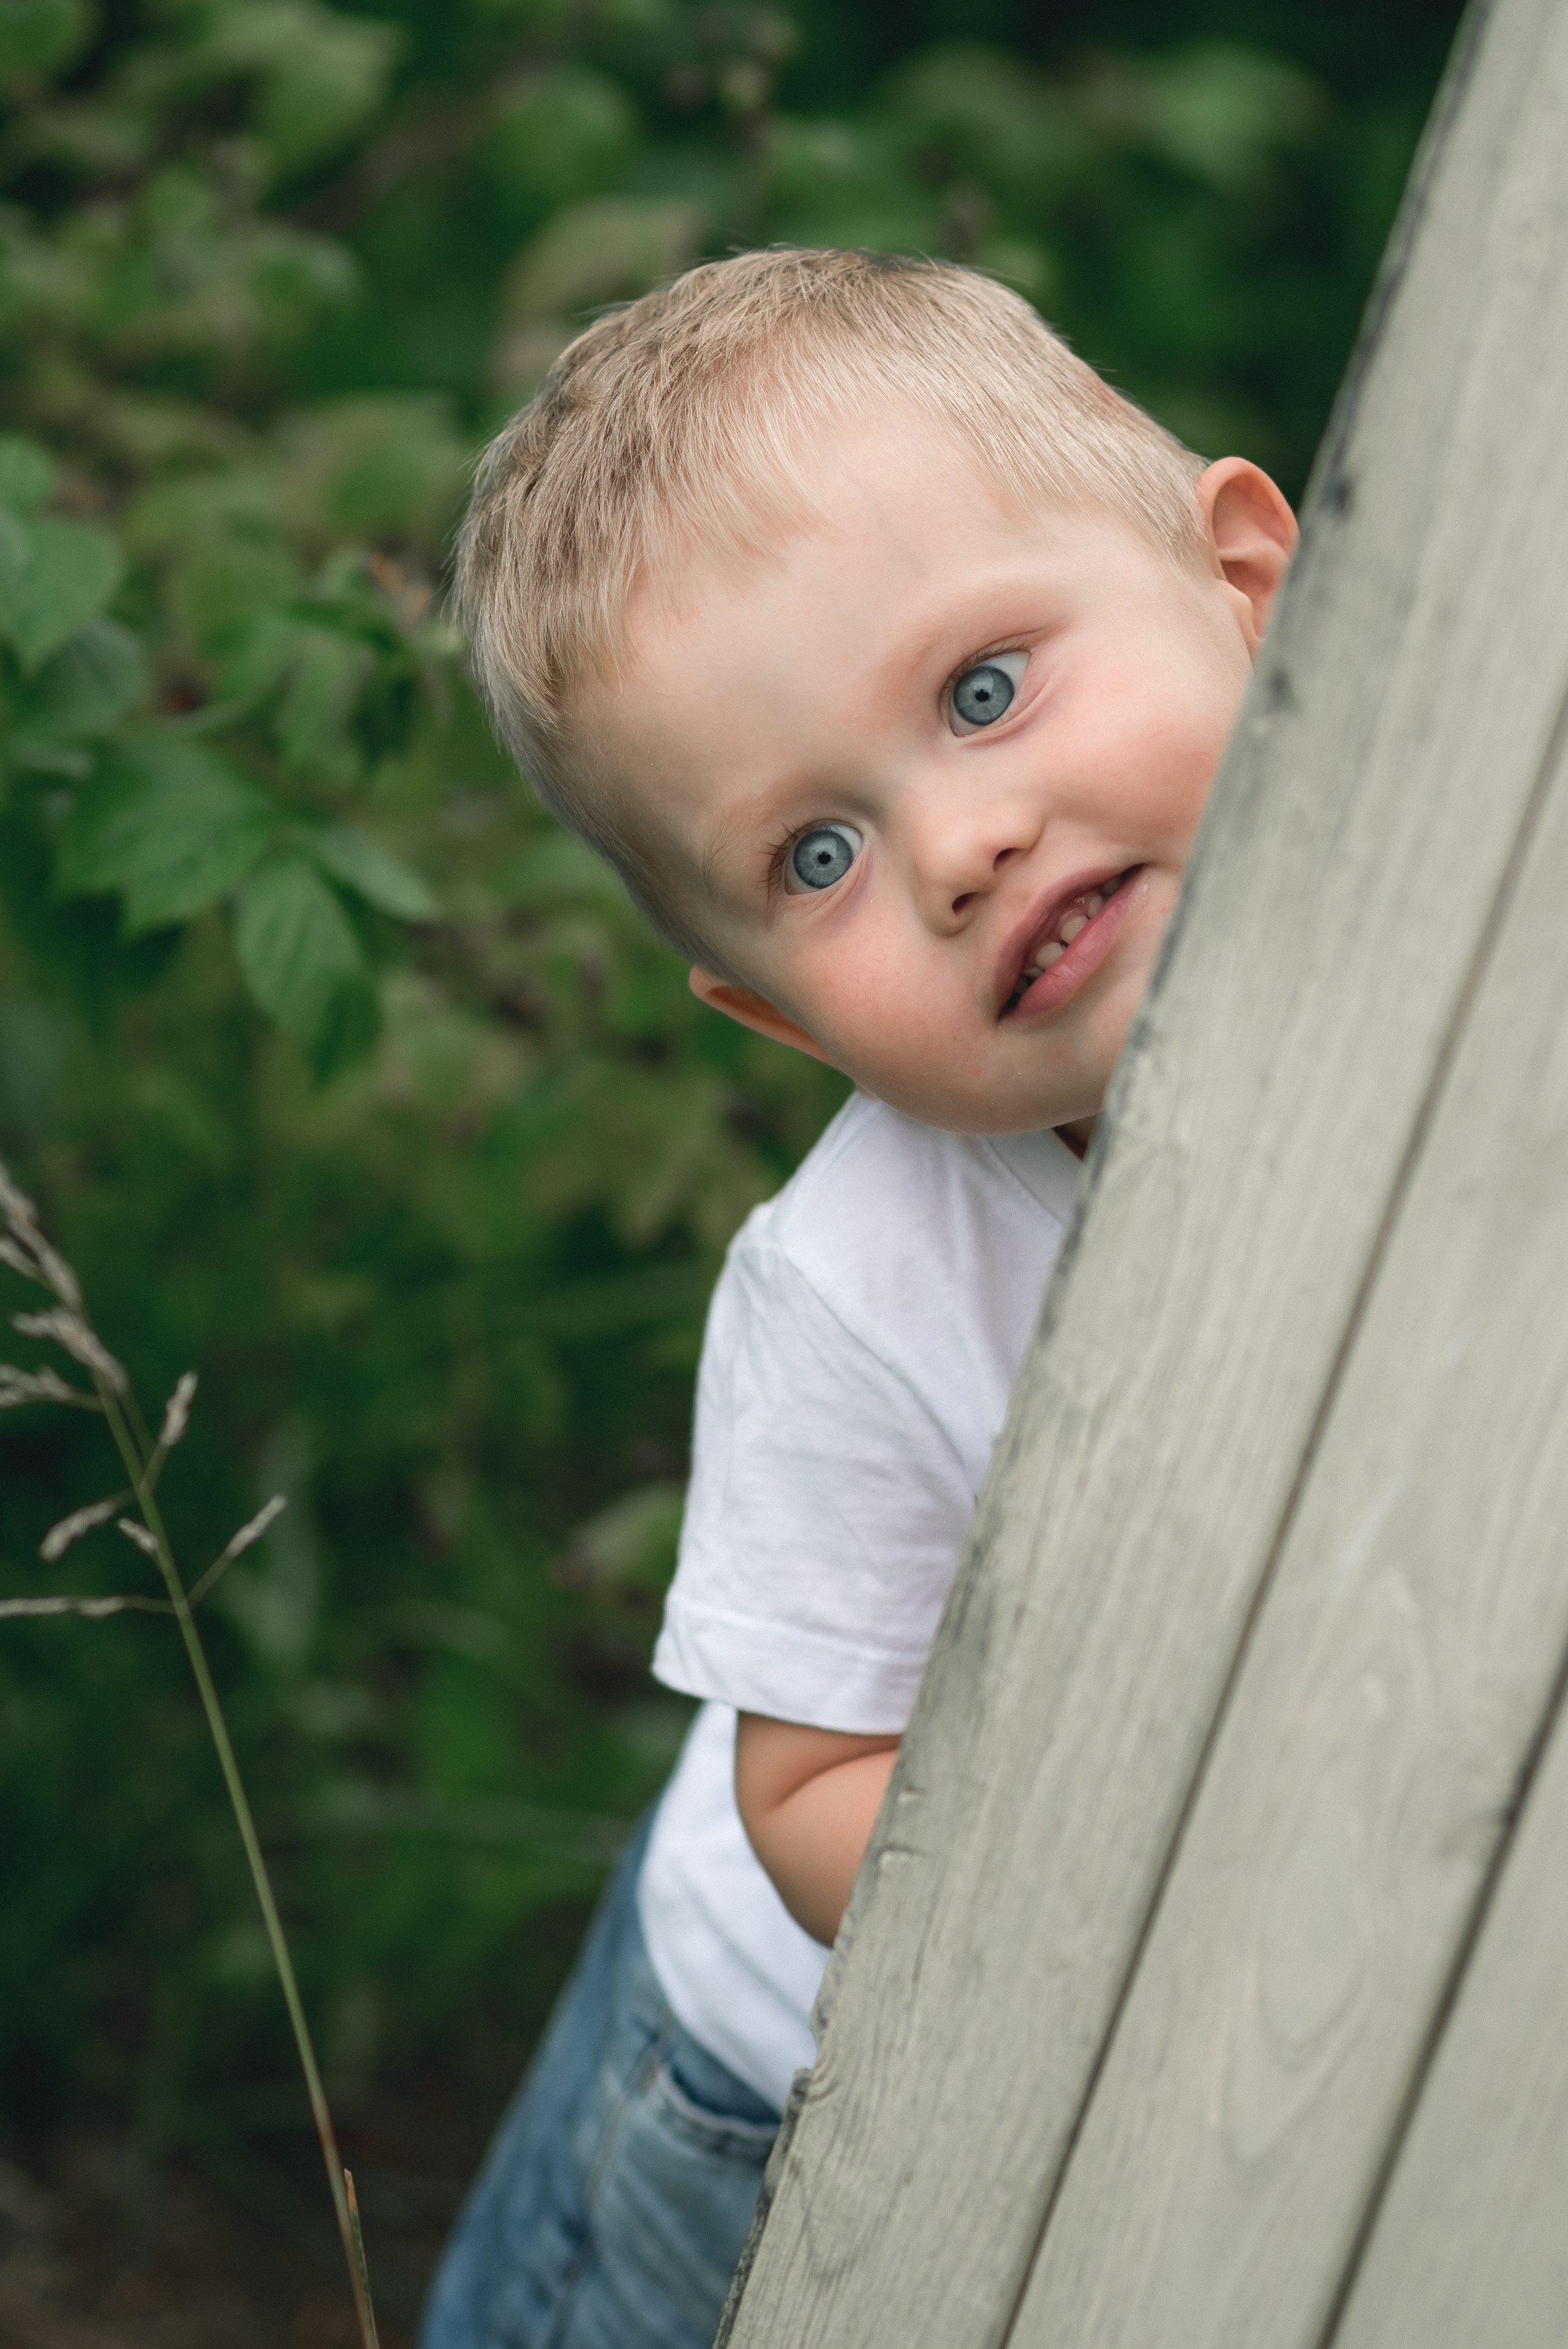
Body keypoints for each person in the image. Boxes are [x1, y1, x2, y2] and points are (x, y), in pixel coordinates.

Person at [421, 246, 1297, 2349]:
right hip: (761, 2092)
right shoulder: (857, 1293)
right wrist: (1141, 1882)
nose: (960, 848)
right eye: (814, 857)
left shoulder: (1463, 953)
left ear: (1248, 584)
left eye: (985, 689)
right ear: (777, 1017)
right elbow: (812, 1784)